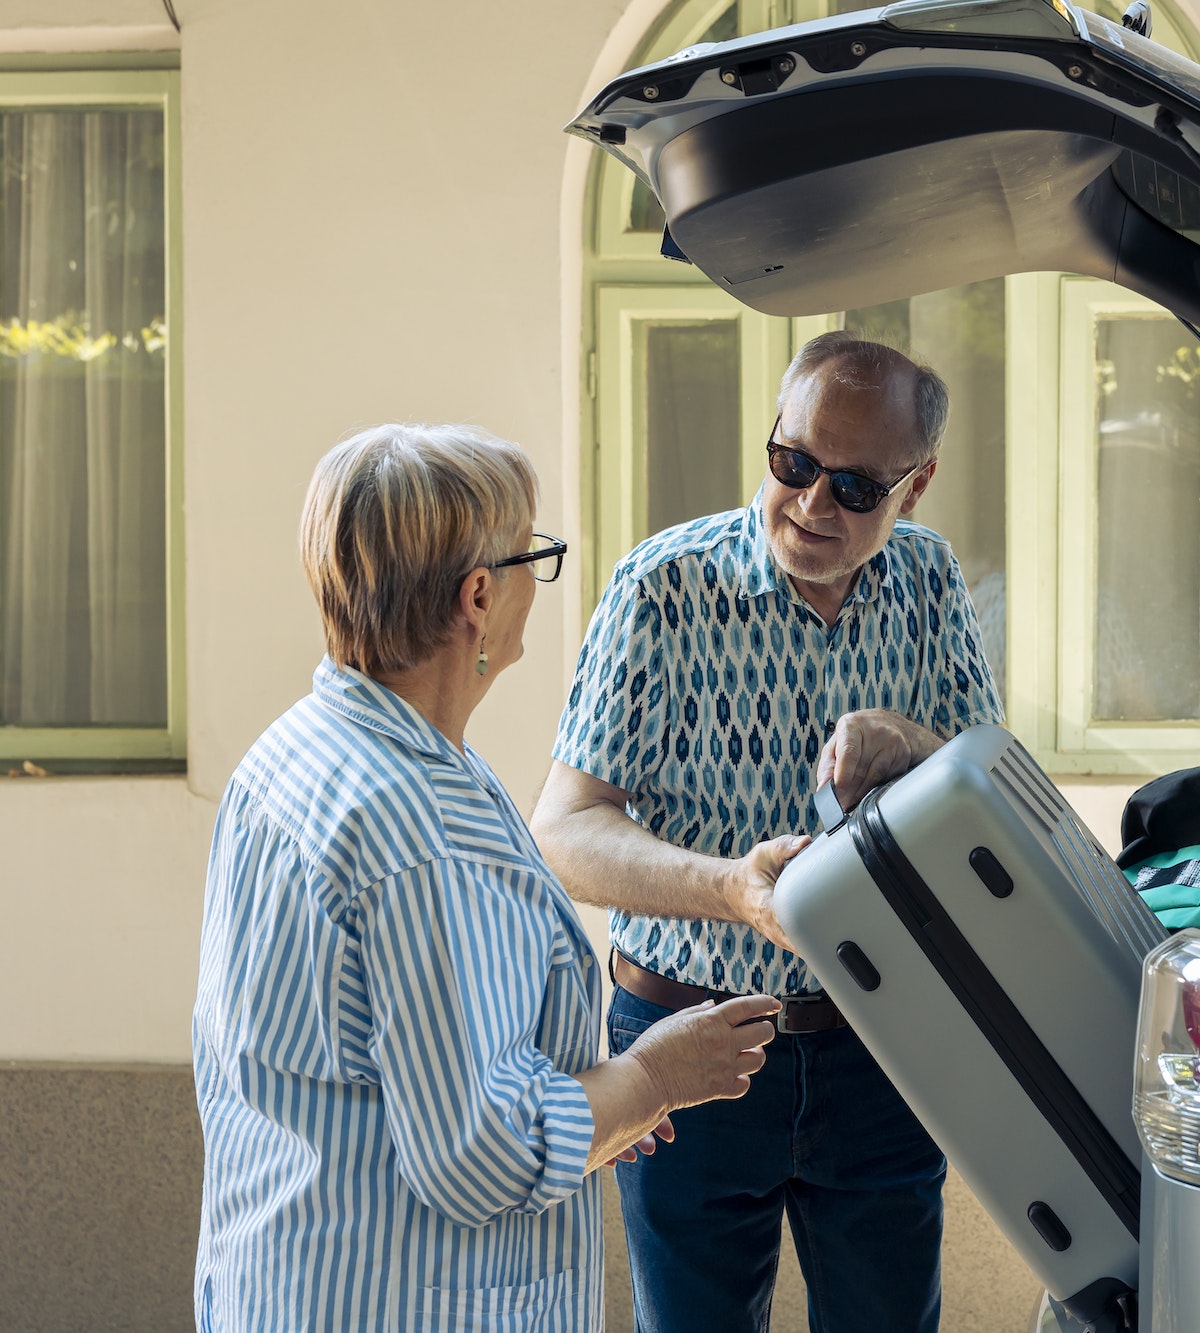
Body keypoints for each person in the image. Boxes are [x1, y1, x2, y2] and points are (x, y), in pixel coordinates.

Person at [191, 424, 780, 1332]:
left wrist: (607, 1099)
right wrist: (659, 1073)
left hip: (287, 1275)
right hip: (393, 1300)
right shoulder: (416, 832)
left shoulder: (298, 755)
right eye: (533, 556)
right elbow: (481, 1153)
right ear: (478, 595)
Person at [532, 333, 1003, 1332]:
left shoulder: (926, 580)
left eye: (854, 486)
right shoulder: (660, 589)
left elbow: (988, 794)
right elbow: (565, 835)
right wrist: (731, 891)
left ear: (913, 489)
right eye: (790, 462)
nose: (810, 503)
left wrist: (910, 740)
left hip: (882, 1042)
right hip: (685, 1041)